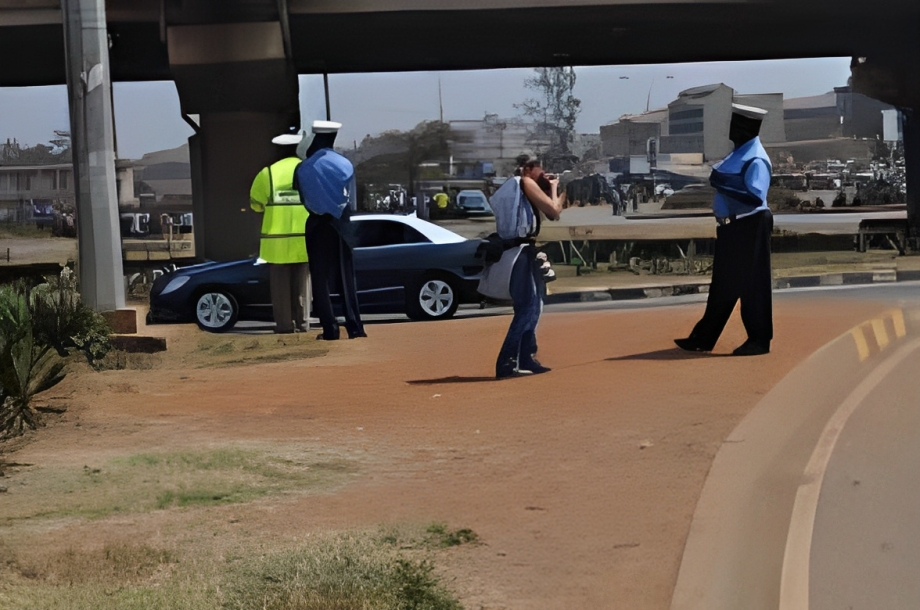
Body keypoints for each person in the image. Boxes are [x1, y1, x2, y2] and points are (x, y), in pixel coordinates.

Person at [674, 103, 774, 356]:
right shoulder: (739, 153)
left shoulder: (756, 158)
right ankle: (703, 337)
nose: (732, 130)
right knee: (723, 285)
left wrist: (722, 182)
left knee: (753, 286)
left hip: (750, 224)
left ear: (748, 129)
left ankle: (759, 340)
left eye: (737, 126)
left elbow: (755, 195)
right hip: (733, 226)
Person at [294, 120, 367, 341]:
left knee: (320, 278)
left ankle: (330, 328)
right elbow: (352, 197)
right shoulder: (346, 164)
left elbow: (303, 198)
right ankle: (355, 326)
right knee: (347, 276)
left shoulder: (304, 167)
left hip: (317, 223)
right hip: (342, 222)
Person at [493, 156, 563, 378]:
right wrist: (556, 189)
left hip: (518, 250)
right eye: (540, 169)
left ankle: (525, 357)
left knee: (534, 305)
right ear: (529, 168)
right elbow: (554, 212)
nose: (543, 173)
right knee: (528, 307)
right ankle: (508, 361)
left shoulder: (512, 185)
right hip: (521, 251)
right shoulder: (525, 182)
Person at [249, 131, 311, 334]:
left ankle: (285, 325)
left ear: (277, 150)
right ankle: (303, 323)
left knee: (280, 289)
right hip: (303, 240)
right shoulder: (308, 170)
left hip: (276, 244)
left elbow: (256, 205)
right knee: (302, 285)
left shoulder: (267, 174)